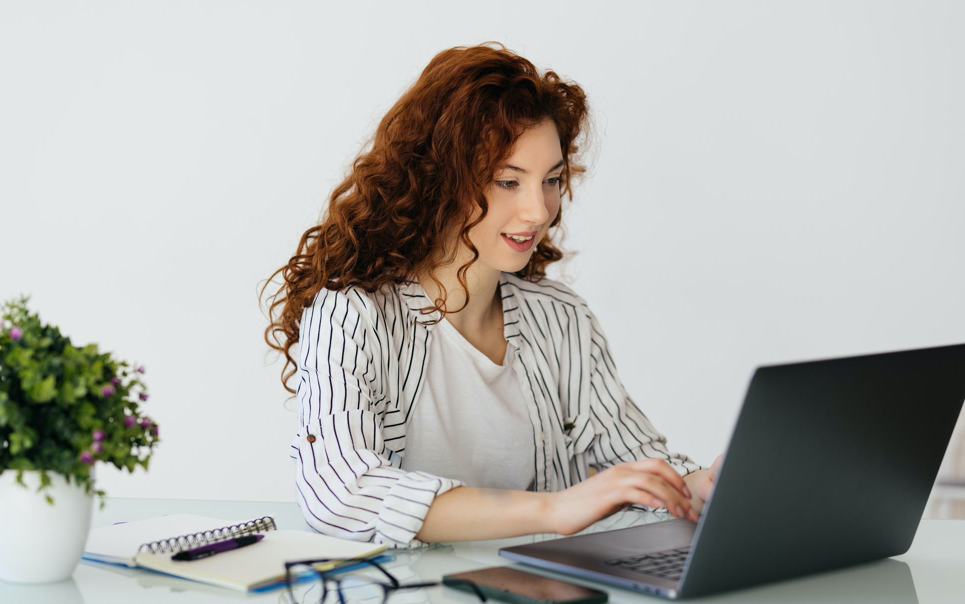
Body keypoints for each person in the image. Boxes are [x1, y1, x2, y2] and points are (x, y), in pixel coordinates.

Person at [261, 42, 724, 548]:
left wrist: (703, 484)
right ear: (440, 179)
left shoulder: (562, 320)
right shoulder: (353, 315)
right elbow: (341, 494)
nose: (538, 210)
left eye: (550, 180)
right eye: (508, 181)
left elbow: (634, 466)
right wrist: (555, 509)